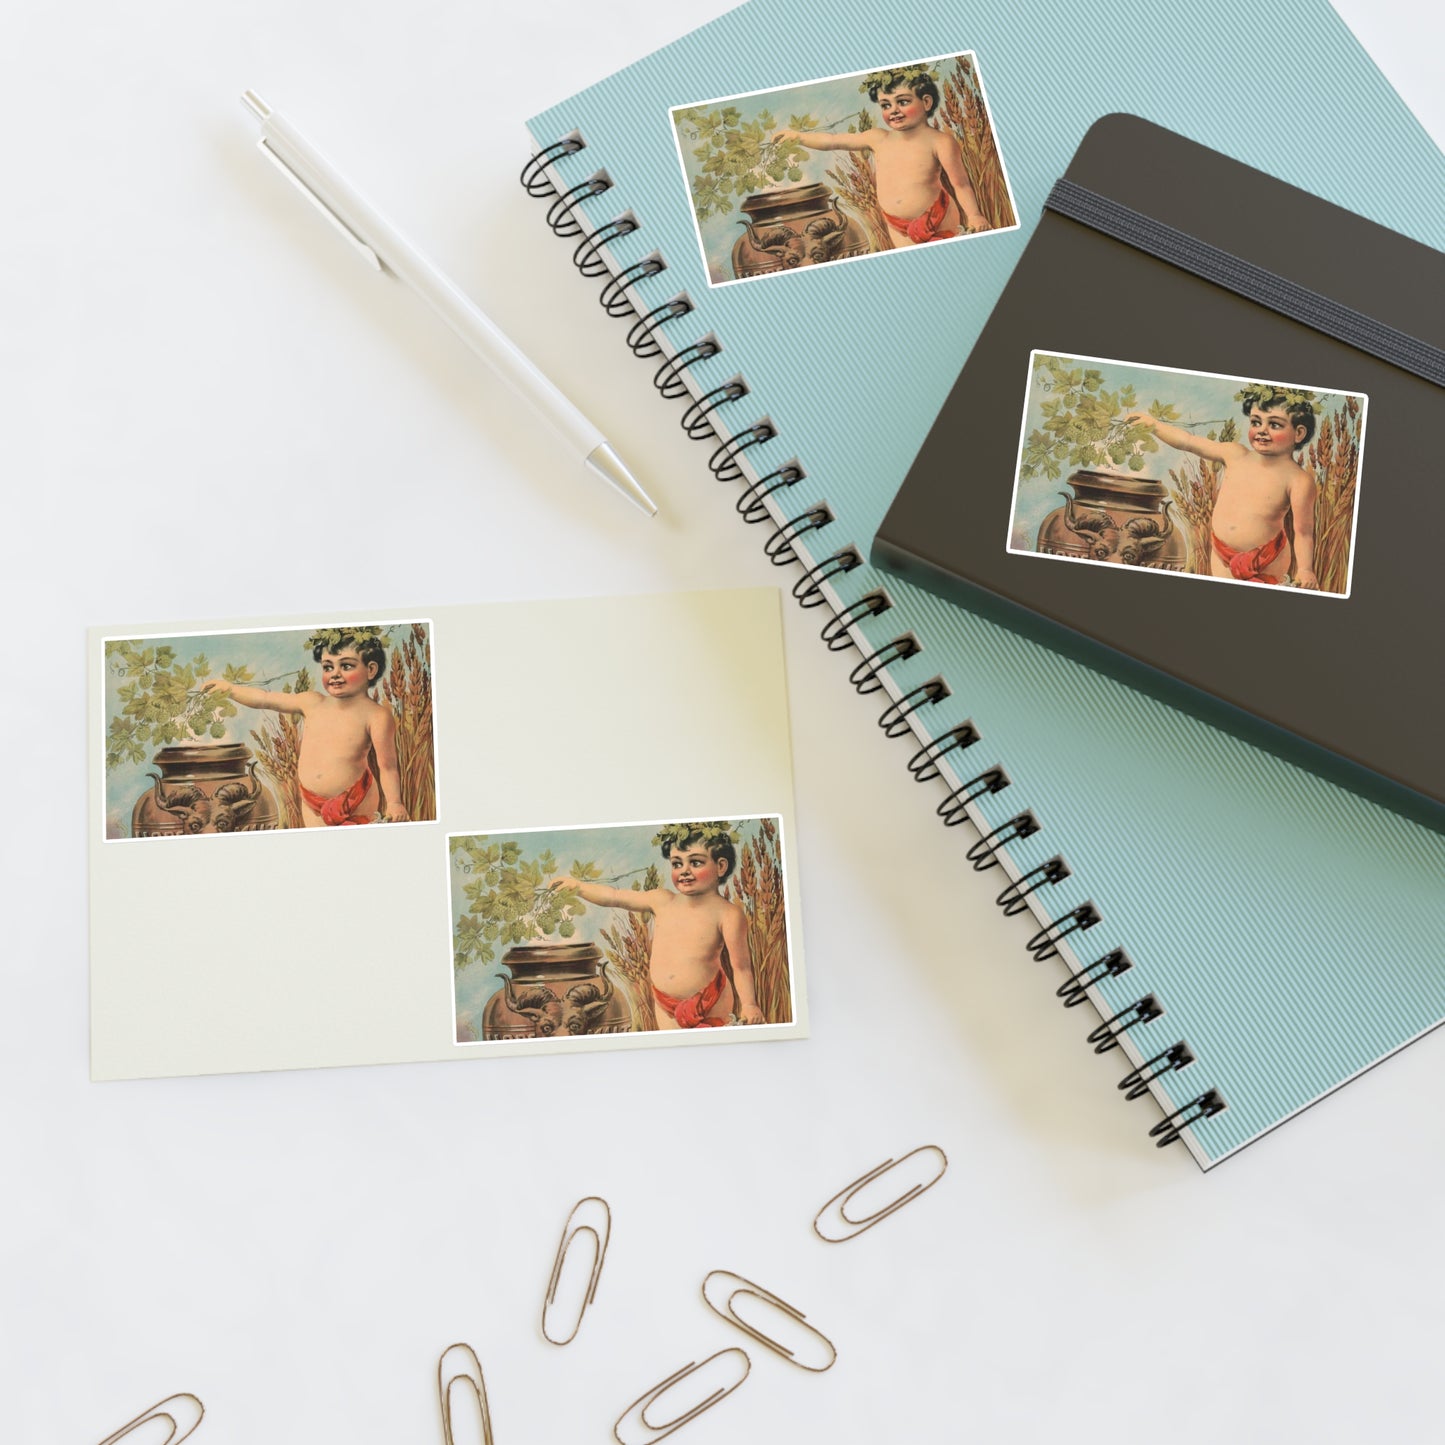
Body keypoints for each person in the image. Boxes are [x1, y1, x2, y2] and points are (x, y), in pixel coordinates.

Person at [550, 823, 765, 1029]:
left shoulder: (728, 913)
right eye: (677, 864)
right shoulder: (662, 900)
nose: (684, 871)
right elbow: (614, 896)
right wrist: (578, 887)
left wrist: (749, 1004)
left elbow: (741, 966)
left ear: (720, 866)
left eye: (696, 862)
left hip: (710, 1000)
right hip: (664, 1004)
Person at [202, 627, 408, 825]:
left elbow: (387, 766)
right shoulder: (312, 702)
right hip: (311, 802)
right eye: (328, 667)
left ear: (371, 670)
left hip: (355, 799)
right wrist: (230, 689)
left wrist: (395, 803)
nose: (335, 673)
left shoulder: (376, 715)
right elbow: (265, 698)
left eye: (346, 666)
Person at [773, 69, 987, 248]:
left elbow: (961, 184)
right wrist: (799, 137)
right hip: (897, 225)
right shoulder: (878, 138)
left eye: (902, 102)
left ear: (927, 102)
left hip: (937, 218)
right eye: (886, 105)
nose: (893, 111)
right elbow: (831, 140)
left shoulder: (939, 141)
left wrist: (975, 215)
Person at [1127, 389, 1320, 588]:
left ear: (1298, 433)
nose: (1262, 430)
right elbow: (1188, 441)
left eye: (1274, 424)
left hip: (1267, 559)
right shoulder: (1235, 454)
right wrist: (1154, 426)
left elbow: (1303, 531)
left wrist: (1305, 569)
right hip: (1221, 553)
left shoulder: (1298, 480)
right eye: (1256, 422)